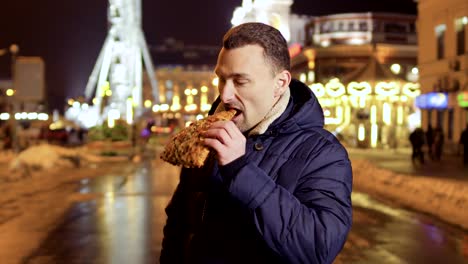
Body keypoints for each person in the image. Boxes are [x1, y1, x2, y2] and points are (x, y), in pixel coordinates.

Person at [160, 22, 353, 263]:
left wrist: (240, 169)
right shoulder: (207, 142)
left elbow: (318, 247)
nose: (225, 94)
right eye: (221, 79)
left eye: (240, 81)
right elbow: (179, 225)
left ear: (280, 83)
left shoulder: (323, 153)